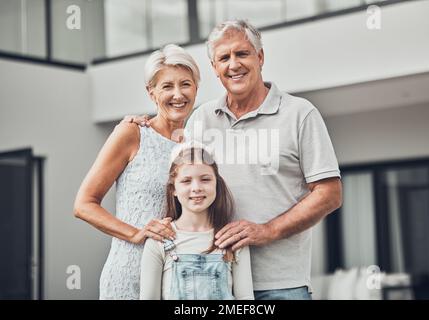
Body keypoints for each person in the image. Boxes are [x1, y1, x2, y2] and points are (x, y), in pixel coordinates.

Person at [127, 19, 342, 300]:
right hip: (214, 280)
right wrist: (140, 124)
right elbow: (183, 180)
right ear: (215, 68)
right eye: (223, 58)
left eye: (242, 54)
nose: (233, 64)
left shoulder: (300, 114)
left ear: (260, 57)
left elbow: (329, 193)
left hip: (281, 283)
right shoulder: (201, 119)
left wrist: (268, 230)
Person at [73, 44, 201, 299]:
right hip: (129, 275)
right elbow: (84, 204)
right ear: (151, 92)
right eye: (167, 86)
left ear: (196, 88)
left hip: (177, 280)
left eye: (185, 84)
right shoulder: (131, 133)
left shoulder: (197, 144)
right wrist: (135, 233)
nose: (178, 94)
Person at [140, 143, 254, 300]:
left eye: (205, 179)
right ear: (173, 189)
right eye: (186, 181)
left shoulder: (233, 239)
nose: (196, 188)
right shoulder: (158, 241)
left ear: (217, 184)